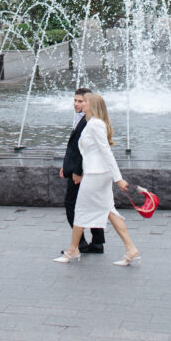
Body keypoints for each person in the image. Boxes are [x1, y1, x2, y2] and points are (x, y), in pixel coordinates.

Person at [54, 92, 141, 267]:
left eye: (84, 101)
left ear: (91, 105)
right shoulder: (92, 123)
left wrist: (119, 179)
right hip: (96, 174)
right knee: (110, 211)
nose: (80, 104)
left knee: (80, 210)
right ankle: (131, 249)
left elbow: (106, 153)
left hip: (96, 175)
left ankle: (73, 250)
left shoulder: (96, 125)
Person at [59, 87, 105, 253]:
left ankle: (81, 243)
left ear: (89, 102)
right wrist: (65, 166)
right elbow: (73, 147)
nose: (76, 104)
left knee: (71, 205)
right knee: (90, 205)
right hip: (79, 169)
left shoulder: (88, 121)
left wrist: (77, 171)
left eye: (80, 101)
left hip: (81, 172)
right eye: (75, 100)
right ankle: (97, 242)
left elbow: (83, 150)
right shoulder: (83, 118)